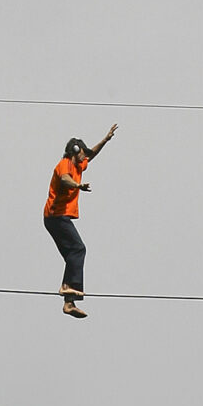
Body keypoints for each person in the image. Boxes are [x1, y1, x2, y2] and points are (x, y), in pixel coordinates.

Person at [43, 124, 118, 318]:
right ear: (75, 151)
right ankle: (68, 286)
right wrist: (78, 185)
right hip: (55, 217)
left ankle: (69, 302)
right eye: (83, 154)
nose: (86, 159)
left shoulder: (78, 163)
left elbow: (91, 154)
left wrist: (105, 139)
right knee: (78, 249)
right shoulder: (64, 165)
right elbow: (65, 180)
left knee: (72, 255)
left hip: (60, 218)